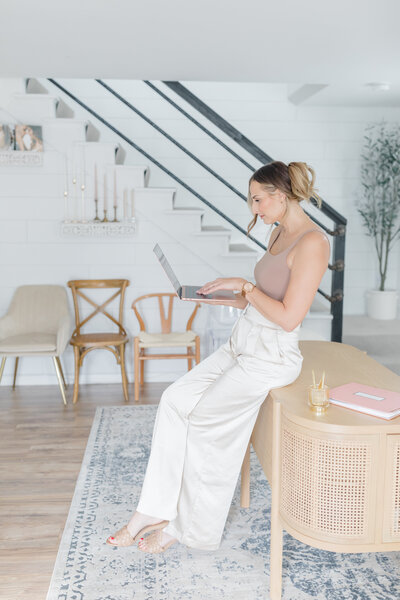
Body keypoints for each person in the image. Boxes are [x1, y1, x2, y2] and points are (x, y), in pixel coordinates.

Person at [106, 160, 330, 553]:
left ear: (281, 195)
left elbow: (289, 317)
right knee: (175, 400)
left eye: (258, 200)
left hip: (270, 357)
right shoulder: (278, 233)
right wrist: (227, 292)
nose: (255, 209)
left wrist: (244, 286)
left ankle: (185, 527)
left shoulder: (313, 243)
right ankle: (151, 510)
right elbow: (266, 296)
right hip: (243, 341)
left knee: (204, 420)